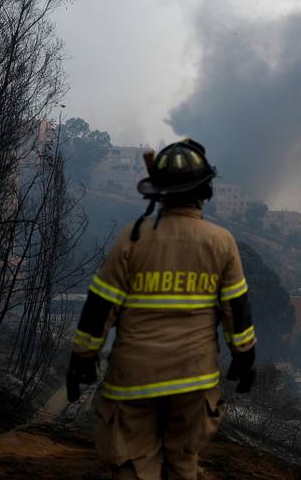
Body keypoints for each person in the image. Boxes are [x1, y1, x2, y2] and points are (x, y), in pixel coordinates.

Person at [66, 138, 257, 480]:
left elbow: (99, 310)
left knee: (134, 468)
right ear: (206, 191)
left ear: (158, 192)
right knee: (184, 465)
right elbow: (237, 311)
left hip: (133, 380)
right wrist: (244, 358)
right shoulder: (221, 242)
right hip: (193, 380)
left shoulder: (131, 238)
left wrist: (82, 359)